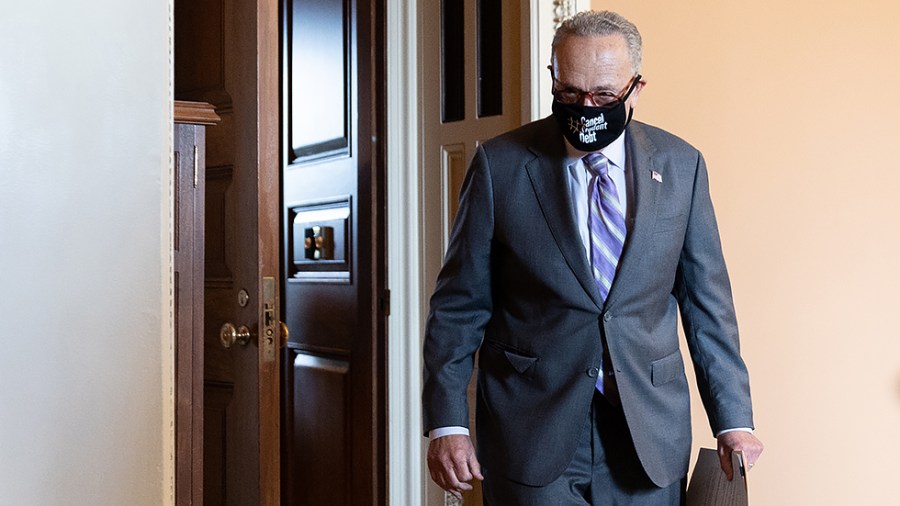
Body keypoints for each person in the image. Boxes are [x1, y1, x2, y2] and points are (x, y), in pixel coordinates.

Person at [422, 10, 764, 504]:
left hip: (649, 434)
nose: (586, 108)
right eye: (569, 94)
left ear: (636, 88)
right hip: (530, 432)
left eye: (604, 96)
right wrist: (447, 423)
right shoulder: (499, 166)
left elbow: (707, 303)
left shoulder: (682, 165)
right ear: (553, 79)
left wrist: (734, 419)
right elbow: (458, 306)